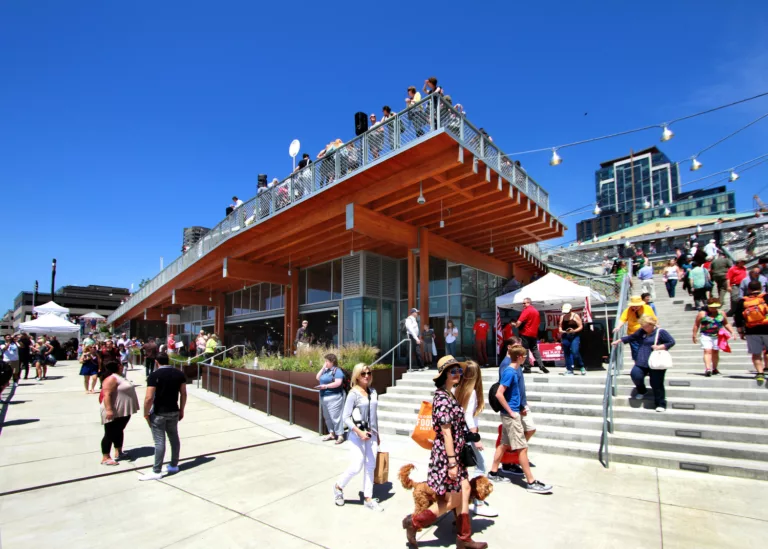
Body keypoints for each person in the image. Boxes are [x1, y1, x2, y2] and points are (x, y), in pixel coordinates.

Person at [402, 355, 488, 549]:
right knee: (452, 499)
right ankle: (415, 523)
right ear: (444, 375)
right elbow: (447, 433)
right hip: (447, 456)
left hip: (456, 453)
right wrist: (451, 463)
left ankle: (464, 538)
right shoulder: (441, 398)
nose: (458, 374)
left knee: (465, 490)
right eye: (453, 371)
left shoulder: (450, 394)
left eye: (459, 370)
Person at [488, 345, 552, 494]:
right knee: (522, 448)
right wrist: (511, 411)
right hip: (511, 415)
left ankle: (493, 472)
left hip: (513, 412)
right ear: (520, 357)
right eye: (525, 356)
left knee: (504, 444)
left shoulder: (514, 370)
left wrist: (520, 408)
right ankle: (531, 482)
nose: (526, 359)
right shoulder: (510, 372)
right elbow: (499, 393)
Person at [333, 363, 382, 511]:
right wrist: (359, 432)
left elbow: (374, 415)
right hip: (357, 434)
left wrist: (377, 434)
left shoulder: (373, 392)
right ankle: (338, 487)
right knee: (357, 465)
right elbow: (345, 417)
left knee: (370, 466)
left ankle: (368, 497)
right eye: (363, 373)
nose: (367, 376)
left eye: (369, 373)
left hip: (371, 434)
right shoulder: (353, 393)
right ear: (357, 376)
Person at [455, 360, 498, 518]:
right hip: (467, 435)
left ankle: (466, 497)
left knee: (464, 468)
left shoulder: (457, 388)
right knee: (480, 466)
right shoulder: (471, 392)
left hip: (459, 435)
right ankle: (477, 501)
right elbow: (467, 416)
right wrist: (476, 438)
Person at [140, 353, 187, 481]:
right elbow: (183, 393)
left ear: (156, 362)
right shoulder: (179, 373)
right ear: (168, 360)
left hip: (159, 412)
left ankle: (156, 470)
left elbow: (149, 397)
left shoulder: (154, 375)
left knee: (159, 441)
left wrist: (145, 413)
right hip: (174, 410)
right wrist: (182, 409)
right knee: (174, 437)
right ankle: (173, 464)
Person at [613, 316, 675, 412]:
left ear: (651, 325)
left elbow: (671, 342)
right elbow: (632, 337)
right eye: (642, 326)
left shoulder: (660, 332)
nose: (643, 328)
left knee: (656, 383)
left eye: (645, 326)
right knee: (635, 374)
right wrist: (619, 340)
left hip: (656, 361)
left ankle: (660, 403)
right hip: (642, 359)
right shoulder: (642, 331)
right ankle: (642, 390)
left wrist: (660, 347)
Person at [99, 361, 140, 466]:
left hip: (123, 411)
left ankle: (119, 451)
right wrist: (109, 410)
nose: (123, 366)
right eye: (121, 365)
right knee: (110, 433)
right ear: (118, 366)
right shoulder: (111, 378)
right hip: (114, 410)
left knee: (118, 431)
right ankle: (106, 457)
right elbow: (107, 394)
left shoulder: (119, 376)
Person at [733, 280, 768, 384]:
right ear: (761, 288)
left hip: (751, 330)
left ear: (748, 289)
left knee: (756, 354)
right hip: (767, 327)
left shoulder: (743, 301)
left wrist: (740, 331)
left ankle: (760, 373)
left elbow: (738, 317)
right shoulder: (766, 297)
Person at [693, 297, 735, 377]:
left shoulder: (721, 313)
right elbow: (696, 324)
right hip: (706, 335)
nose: (713, 308)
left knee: (715, 352)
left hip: (717, 335)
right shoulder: (702, 314)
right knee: (707, 350)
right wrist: (694, 335)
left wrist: (732, 331)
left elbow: (726, 323)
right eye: (711, 307)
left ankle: (715, 368)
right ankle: (708, 368)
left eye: (715, 307)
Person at [613, 296, 657, 361]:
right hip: (633, 334)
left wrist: (656, 326)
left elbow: (654, 319)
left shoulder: (647, 308)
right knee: (636, 352)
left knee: (647, 350)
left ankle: (647, 364)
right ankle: (638, 365)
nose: (635, 307)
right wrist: (618, 327)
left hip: (646, 333)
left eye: (637, 305)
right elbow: (622, 319)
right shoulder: (628, 310)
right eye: (633, 306)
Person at [316, 353, 346, 445]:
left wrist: (326, 386)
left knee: (335, 417)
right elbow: (317, 377)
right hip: (324, 397)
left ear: (332, 361)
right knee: (327, 417)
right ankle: (331, 433)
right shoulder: (325, 370)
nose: (325, 363)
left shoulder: (337, 371)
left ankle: (340, 435)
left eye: (327, 361)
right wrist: (322, 368)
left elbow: (338, 383)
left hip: (334, 397)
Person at [514, 297, 549, 374]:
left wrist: (515, 325)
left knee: (525, 350)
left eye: (524, 303)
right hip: (534, 333)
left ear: (529, 303)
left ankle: (527, 368)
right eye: (523, 303)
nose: (523, 305)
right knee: (535, 350)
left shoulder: (526, 311)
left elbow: (519, 321)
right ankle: (541, 365)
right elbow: (539, 323)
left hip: (525, 333)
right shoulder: (536, 311)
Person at [559, 304, 585, 376]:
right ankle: (569, 369)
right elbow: (560, 327)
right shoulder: (562, 317)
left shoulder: (575, 316)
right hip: (565, 335)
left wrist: (574, 330)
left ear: (571, 310)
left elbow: (580, 326)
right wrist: (563, 331)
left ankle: (581, 366)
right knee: (566, 353)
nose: (566, 313)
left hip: (574, 336)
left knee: (575, 352)